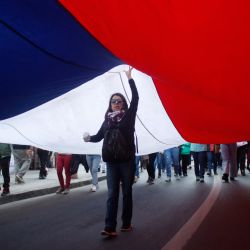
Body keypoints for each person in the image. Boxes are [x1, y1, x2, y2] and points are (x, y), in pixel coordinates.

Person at [83, 66, 139, 237]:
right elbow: (99, 136)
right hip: (112, 162)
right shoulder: (107, 120)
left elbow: (136, 98)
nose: (116, 103)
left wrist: (130, 79)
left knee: (127, 192)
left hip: (126, 161)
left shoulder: (128, 116)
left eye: (119, 101)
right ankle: (109, 227)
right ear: (110, 104)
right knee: (112, 194)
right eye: (113, 101)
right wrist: (88, 138)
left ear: (123, 103)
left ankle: (126, 223)